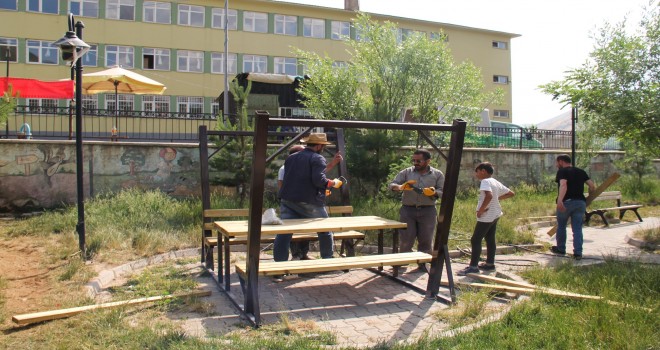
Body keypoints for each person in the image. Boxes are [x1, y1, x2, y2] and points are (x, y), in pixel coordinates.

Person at [273, 133, 344, 279]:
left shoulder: (291, 158)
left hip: (287, 200)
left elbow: (296, 178)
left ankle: (278, 269)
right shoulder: (317, 158)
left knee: (284, 233)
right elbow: (319, 180)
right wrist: (333, 183)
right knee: (325, 231)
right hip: (309, 202)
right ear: (318, 146)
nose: (324, 148)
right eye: (323, 146)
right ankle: (328, 263)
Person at [389, 149, 444, 273]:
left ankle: (423, 264)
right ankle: (403, 262)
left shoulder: (437, 174)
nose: (415, 162)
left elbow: (444, 190)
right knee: (406, 239)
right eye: (413, 160)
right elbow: (392, 184)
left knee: (426, 239)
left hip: (428, 210)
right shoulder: (407, 172)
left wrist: (434, 192)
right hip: (408, 210)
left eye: (418, 160)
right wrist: (399, 187)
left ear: (428, 161)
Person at [457, 162, 515, 276]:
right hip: (495, 214)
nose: (476, 174)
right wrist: (496, 200)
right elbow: (511, 193)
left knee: (475, 239)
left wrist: (481, 210)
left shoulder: (485, 181)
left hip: (487, 216)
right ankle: (489, 264)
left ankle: (473, 267)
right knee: (490, 238)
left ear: (483, 171)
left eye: (477, 171)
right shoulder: (495, 181)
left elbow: (489, 196)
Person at [552, 154, 596, 260]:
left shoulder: (562, 171)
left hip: (567, 202)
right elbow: (592, 185)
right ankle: (578, 253)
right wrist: (589, 195)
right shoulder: (581, 171)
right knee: (577, 228)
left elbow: (563, 185)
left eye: (557, 162)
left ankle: (561, 249)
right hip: (580, 203)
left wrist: (560, 200)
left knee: (561, 226)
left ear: (561, 161)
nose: (556, 165)